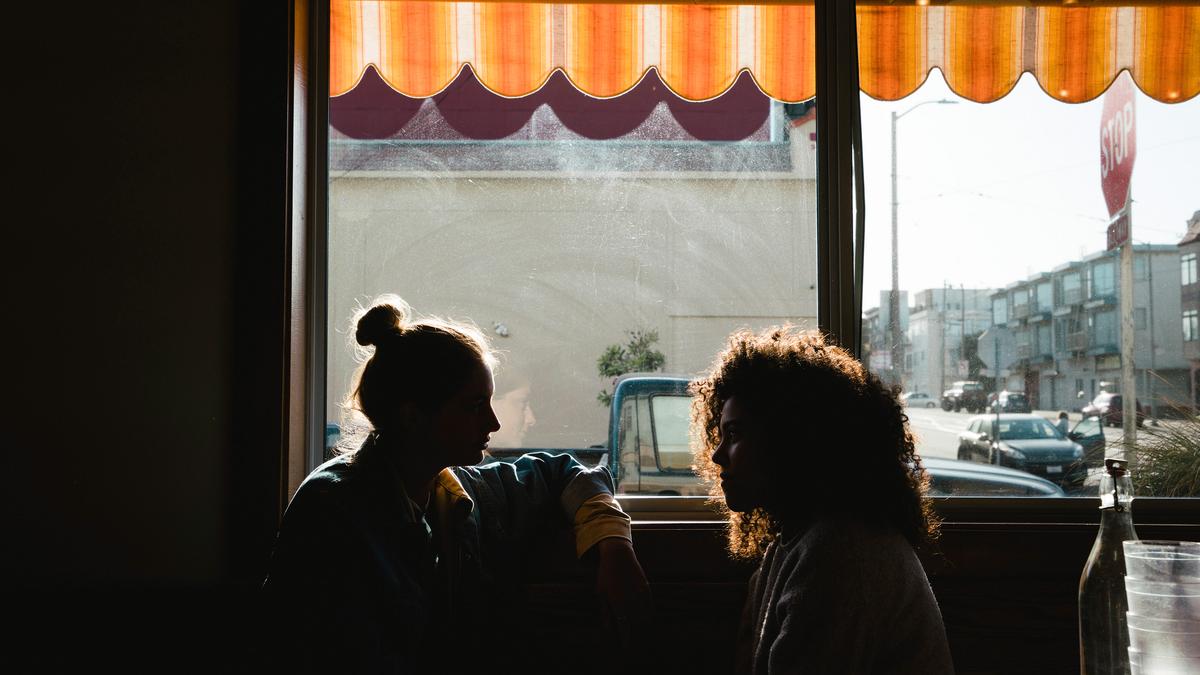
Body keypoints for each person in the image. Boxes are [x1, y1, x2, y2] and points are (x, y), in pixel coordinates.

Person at [262, 296, 650, 673]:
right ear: (413, 416)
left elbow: (567, 473)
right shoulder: (331, 512)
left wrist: (613, 544)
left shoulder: (458, 493)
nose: (493, 423)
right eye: (474, 406)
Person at [691, 327, 954, 675]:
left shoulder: (839, 551)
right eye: (721, 434)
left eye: (736, 434)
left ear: (792, 438)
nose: (718, 455)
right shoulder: (798, 538)